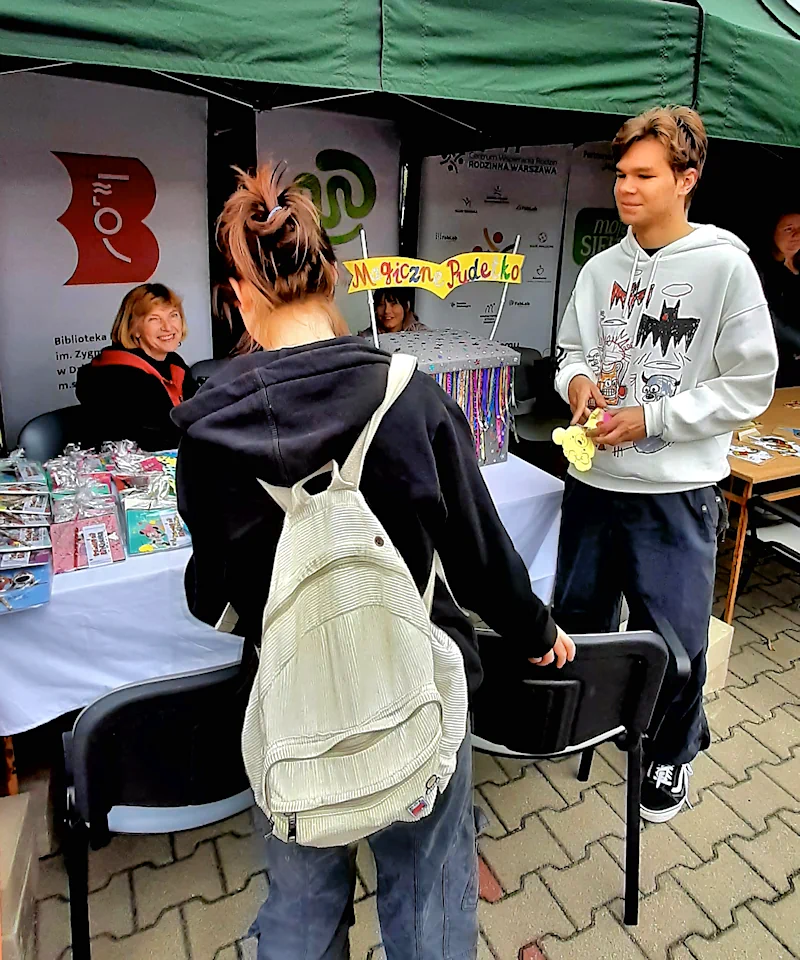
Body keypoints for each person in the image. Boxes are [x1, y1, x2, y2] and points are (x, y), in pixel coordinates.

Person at [172, 164, 574, 960]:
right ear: (335, 281)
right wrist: (537, 633)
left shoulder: (206, 433)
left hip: (292, 711)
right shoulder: (411, 396)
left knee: (301, 904)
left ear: (238, 295)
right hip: (418, 689)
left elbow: (210, 599)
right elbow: (483, 558)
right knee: (427, 902)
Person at [553, 106, 778, 824]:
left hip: (675, 492)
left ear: (688, 179)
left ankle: (672, 754)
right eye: (620, 174)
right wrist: (580, 386)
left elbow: (751, 384)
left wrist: (651, 419)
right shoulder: (600, 269)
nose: (625, 187)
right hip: (592, 483)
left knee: (675, 637)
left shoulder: (726, 267)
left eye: (644, 175)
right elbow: (571, 353)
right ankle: (585, 722)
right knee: (580, 618)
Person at [76, 283, 197, 450]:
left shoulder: (174, 363)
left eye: (173, 315)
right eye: (154, 319)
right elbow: (155, 439)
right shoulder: (116, 376)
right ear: (134, 329)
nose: (168, 327)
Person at [756, 209, 800, 387]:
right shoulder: (759, 269)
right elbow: (765, 315)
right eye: (788, 229)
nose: (796, 235)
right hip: (775, 364)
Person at [358, 287, 428, 337]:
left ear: (406, 306)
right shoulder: (365, 339)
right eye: (381, 304)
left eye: (393, 304)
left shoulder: (422, 335)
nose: (386, 311)